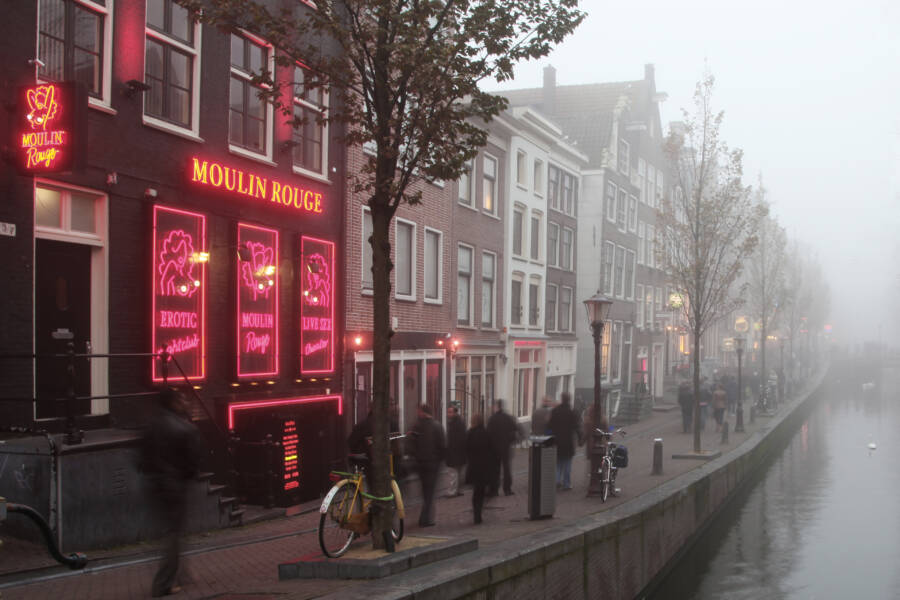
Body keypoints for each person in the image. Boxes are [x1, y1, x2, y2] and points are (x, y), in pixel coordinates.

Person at [142, 388, 201, 598]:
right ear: (174, 403)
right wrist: (185, 478)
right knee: (174, 534)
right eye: (182, 398)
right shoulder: (185, 428)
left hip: (156, 485)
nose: (185, 400)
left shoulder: (150, 425)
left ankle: (182, 573)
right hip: (176, 487)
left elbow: (141, 459)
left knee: (171, 532)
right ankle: (164, 583)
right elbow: (192, 462)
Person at [408, 404, 445, 527]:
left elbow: (410, 445)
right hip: (432, 464)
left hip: (421, 464)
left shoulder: (416, 426)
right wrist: (440, 459)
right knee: (429, 492)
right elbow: (442, 445)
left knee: (425, 491)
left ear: (422, 412)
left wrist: (415, 457)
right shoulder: (437, 426)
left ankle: (425, 517)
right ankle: (426, 518)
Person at [547, 393, 581, 490]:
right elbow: (577, 427)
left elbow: (549, 426)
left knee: (557, 463)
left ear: (561, 399)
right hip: (568, 442)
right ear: (569, 400)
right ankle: (566, 484)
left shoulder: (555, 411)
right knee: (567, 464)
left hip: (557, 441)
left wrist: (549, 437)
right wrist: (580, 439)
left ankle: (557, 481)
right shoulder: (573, 412)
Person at [487, 399, 520, 496]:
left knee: (495, 469)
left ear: (497, 407)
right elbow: (515, 429)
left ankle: (494, 490)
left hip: (494, 448)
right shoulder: (508, 418)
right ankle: (507, 489)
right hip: (505, 447)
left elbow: (488, 433)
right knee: (506, 468)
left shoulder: (492, 419)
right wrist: (510, 439)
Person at [465, 413, 492, 524]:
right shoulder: (487, 433)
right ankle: (478, 514)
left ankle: (476, 514)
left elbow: (465, 449)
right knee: (481, 492)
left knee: (476, 492)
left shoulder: (469, 434)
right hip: (484, 467)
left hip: (473, 467)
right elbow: (492, 451)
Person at [445, 404, 467, 497]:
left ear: (454, 413)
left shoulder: (455, 423)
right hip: (459, 453)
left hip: (455, 452)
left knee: (453, 473)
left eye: (450, 412)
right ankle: (457, 490)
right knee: (457, 472)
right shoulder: (458, 422)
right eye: (448, 412)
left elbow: (456, 439)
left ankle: (452, 492)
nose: (448, 414)